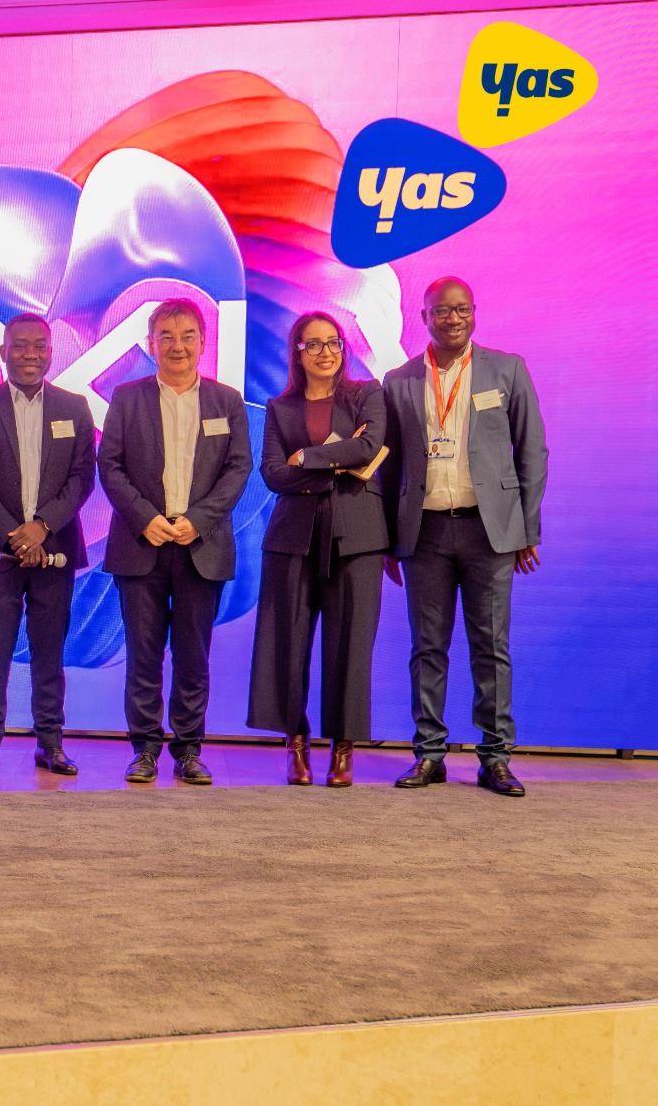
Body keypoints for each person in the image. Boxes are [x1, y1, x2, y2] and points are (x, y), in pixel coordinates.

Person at [382, 277, 547, 796]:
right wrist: (389, 538)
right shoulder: (399, 379)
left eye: (461, 309)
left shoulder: (507, 369)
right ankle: (429, 755)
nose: (452, 318)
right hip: (424, 532)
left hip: (489, 532)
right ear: (424, 317)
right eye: (441, 310)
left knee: (491, 648)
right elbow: (389, 465)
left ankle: (495, 758)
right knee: (427, 648)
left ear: (474, 312)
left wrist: (526, 528)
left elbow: (532, 451)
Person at [98, 299, 252, 785]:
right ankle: (145, 749)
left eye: (187, 336)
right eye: (166, 336)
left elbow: (238, 468)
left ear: (203, 343)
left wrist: (199, 520)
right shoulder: (127, 398)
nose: (177, 346)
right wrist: (145, 518)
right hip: (141, 544)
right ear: (150, 344)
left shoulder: (227, 401)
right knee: (143, 657)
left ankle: (188, 750)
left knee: (192, 656)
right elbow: (110, 466)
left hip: (200, 547)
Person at [247, 312, 388, 787]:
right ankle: (296, 743)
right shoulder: (279, 406)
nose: (325, 352)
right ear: (298, 352)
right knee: (287, 643)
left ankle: (343, 748)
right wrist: (337, 462)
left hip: (358, 534)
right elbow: (272, 474)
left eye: (333, 343)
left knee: (350, 645)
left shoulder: (366, 394)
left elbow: (368, 448)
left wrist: (308, 457)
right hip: (293, 537)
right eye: (314, 344)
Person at [0, 313, 96, 775]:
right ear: (3, 351)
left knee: (49, 652)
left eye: (39, 345)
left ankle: (50, 744)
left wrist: (42, 526)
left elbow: (82, 478)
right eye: (20, 345)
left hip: (55, 548)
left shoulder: (75, 407)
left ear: (51, 352)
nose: (30, 354)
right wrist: (16, 535)